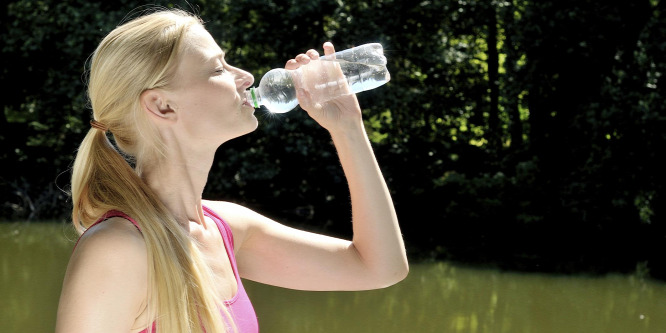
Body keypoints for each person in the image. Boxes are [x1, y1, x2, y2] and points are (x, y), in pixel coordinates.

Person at [55, 7, 408, 333]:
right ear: (162, 106)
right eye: (218, 68)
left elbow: (380, 268)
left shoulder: (227, 229)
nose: (246, 76)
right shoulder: (118, 249)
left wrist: (347, 128)